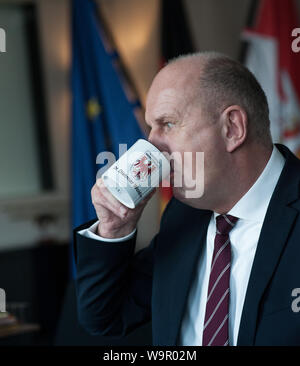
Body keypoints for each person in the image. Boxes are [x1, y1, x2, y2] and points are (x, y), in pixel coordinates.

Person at [73, 52, 300, 346]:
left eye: (167, 123)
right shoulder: (183, 215)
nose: (151, 144)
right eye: (150, 127)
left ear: (232, 128)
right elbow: (104, 317)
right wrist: (113, 230)